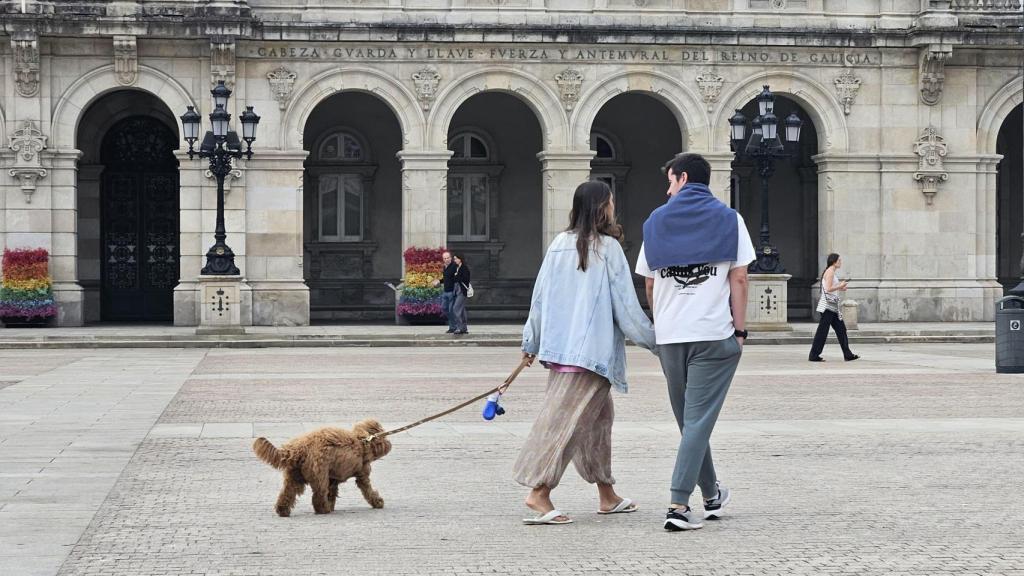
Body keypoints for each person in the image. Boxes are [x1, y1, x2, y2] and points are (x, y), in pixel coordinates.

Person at [515, 180, 658, 526]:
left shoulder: (558, 245)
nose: (613, 208)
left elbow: (540, 298)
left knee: (597, 423)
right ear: (601, 208)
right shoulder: (608, 249)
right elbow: (626, 307)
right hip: (591, 355)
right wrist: (657, 341)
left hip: (562, 351)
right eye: (610, 203)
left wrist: (530, 342)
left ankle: (607, 494)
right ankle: (539, 491)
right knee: (568, 424)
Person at [635, 152, 754, 532]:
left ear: (683, 178)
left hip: (670, 337)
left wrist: (662, 320)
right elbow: (739, 279)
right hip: (712, 334)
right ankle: (678, 505)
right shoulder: (730, 219)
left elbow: (650, 282)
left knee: (691, 422)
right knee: (697, 422)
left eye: (669, 180)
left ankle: (712, 495)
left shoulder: (655, 221)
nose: (668, 188)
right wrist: (740, 330)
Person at [808, 253, 859, 362]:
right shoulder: (830, 272)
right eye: (839, 260)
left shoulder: (830, 271)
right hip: (828, 306)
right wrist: (840, 286)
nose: (840, 262)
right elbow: (828, 288)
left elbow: (830, 288)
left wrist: (840, 288)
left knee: (841, 329)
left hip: (831, 306)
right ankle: (814, 355)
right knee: (823, 331)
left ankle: (847, 354)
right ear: (834, 261)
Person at [433, 251, 457, 334]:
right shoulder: (444, 267)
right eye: (445, 258)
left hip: (452, 292)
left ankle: (453, 327)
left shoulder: (454, 266)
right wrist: (439, 281)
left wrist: (456, 290)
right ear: (443, 259)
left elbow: (456, 279)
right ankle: (453, 326)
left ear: (451, 258)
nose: (446, 259)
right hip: (445, 292)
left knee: (451, 310)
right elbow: (446, 279)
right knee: (444, 308)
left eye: (448, 258)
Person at [451, 253, 471, 335]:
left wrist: (457, 276)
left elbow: (466, 279)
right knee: (461, 310)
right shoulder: (456, 268)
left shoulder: (464, 268)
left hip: (462, 291)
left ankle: (459, 327)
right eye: (454, 259)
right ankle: (464, 328)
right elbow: (453, 278)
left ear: (460, 259)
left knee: (456, 308)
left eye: (456, 258)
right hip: (456, 290)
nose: (455, 260)